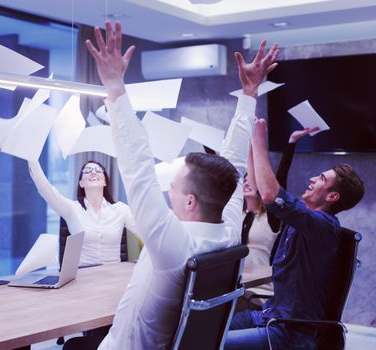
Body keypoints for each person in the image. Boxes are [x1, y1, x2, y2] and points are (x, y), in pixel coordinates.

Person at [61, 21, 279, 350]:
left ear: (190, 202)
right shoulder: (228, 229)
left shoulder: (170, 242)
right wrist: (249, 94)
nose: (168, 189)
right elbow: (232, 163)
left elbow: (136, 165)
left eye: (174, 185)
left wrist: (115, 86)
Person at [225, 119, 364, 349]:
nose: (311, 179)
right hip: (270, 314)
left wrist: (258, 138)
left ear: (332, 197)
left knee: (209, 342)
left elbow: (270, 194)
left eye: (320, 179)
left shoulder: (322, 226)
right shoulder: (302, 215)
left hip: (290, 332)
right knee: (206, 325)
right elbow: (263, 187)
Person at [242, 126, 319, 308]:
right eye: (243, 180)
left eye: (249, 179)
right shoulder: (240, 215)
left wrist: (291, 142)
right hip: (238, 284)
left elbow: (280, 177)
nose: (246, 182)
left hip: (260, 289)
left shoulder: (271, 217)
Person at [28, 159, 137, 266]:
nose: (93, 172)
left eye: (98, 170)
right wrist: (32, 159)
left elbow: (145, 232)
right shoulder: (72, 209)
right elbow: (46, 190)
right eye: (87, 171)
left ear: (105, 181)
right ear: (81, 183)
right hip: (83, 277)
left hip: (114, 276)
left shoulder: (121, 209)